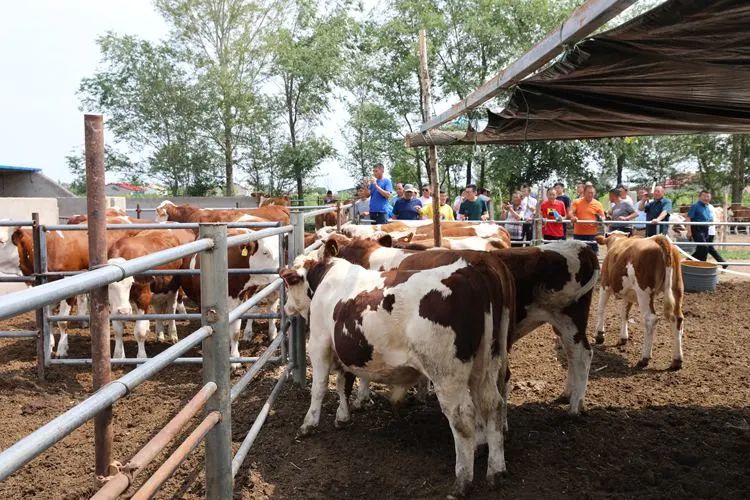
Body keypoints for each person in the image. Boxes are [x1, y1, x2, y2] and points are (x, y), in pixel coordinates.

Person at [687, 190, 727, 268]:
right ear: (699, 197)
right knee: (704, 247)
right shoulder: (695, 206)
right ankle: (701, 265)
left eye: (708, 196)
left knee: (703, 248)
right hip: (697, 228)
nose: (706, 198)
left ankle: (688, 261)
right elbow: (689, 218)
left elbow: (709, 219)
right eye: (704, 196)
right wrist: (689, 231)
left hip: (706, 229)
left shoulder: (708, 207)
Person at [570, 184, 605, 253]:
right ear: (584, 193)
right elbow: (571, 212)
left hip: (592, 234)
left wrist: (601, 219)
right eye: (588, 193)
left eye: (592, 193)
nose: (590, 195)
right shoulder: (576, 202)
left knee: (593, 254)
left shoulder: (598, 204)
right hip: (578, 233)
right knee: (577, 254)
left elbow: (603, 216)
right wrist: (573, 217)